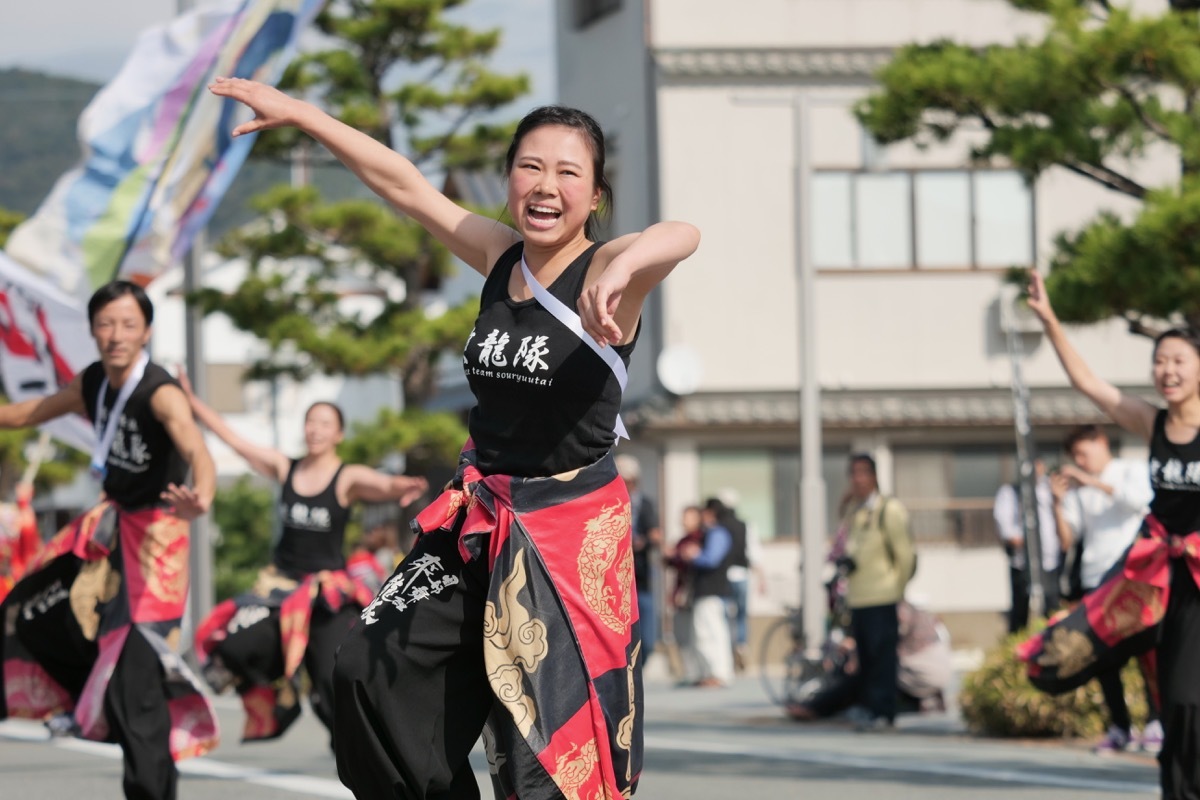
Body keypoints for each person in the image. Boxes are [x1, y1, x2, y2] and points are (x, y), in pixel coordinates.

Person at [207, 77, 699, 800]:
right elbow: (403, 186)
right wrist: (307, 116)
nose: (545, 186)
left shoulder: (606, 272)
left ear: (595, 196)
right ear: (508, 179)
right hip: (476, 520)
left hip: (562, 538)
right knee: (363, 671)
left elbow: (681, 235)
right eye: (530, 166)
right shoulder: (500, 258)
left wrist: (627, 263)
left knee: (544, 757)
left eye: (569, 173)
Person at [0, 280, 217, 800]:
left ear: (145, 332)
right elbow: (26, 414)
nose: (115, 335)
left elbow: (197, 451)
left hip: (156, 545)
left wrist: (201, 498)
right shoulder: (94, 381)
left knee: (135, 682)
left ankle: (127, 741)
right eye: (105, 324)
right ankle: (89, 701)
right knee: (25, 611)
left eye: (127, 324)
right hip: (107, 536)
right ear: (93, 330)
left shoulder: (160, 391)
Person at [1017, 270, 1200, 799]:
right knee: (1083, 653)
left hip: (1196, 586)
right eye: (1159, 361)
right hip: (1150, 576)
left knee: (1187, 699)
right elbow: (1089, 385)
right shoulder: (1153, 422)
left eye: (1178, 361)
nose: (1166, 371)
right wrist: (1050, 320)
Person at [185, 385, 427, 746]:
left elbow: (382, 483)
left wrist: (404, 485)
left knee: (333, 680)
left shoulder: (346, 477)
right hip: (279, 590)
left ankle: (350, 745)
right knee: (234, 646)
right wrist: (191, 401)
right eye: (311, 422)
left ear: (338, 434)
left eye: (325, 424)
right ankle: (281, 698)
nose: (315, 429)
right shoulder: (286, 467)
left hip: (324, 595)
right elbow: (234, 440)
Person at [1049, 424, 1160, 755]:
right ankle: (1119, 726)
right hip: (1095, 579)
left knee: (1147, 650)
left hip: (1132, 576)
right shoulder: (1079, 489)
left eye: (1084, 452)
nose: (1081, 461)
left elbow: (1141, 503)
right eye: (1076, 457)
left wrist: (1094, 483)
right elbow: (1068, 539)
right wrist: (1057, 503)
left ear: (1100, 442)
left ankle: (1157, 722)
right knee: (1103, 658)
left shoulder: (1131, 470)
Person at [838, 453, 916, 731]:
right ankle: (869, 707)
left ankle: (884, 710)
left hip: (883, 595)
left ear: (874, 476)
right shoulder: (856, 511)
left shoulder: (889, 509)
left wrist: (897, 588)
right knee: (865, 656)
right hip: (858, 596)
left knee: (883, 656)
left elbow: (905, 554)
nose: (857, 479)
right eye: (853, 473)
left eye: (863, 473)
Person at [786, 600, 952, 722]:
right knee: (869, 667)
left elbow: (883, 647)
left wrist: (855, 651)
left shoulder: (897, 611)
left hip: (919, 671)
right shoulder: (913, 610)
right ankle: (820, 707)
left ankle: (818, 708)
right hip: (937, 672)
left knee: (864, 672)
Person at [993, 458, 1065, 633]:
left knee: (1052, 609)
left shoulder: (1050, 491)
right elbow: (1007, 531)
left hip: (1052, 562)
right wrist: (1031, 542)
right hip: (1022, 563)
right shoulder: (1010, 492)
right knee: (1020, 611)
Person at [669, 503, 734, 688]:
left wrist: (695, 555)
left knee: (711, 633)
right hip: (703, 591)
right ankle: (709, 673)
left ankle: (718, 673)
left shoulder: (717, 533)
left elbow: (711, 559)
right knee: (703, 634)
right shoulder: (707, 534)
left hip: (712, 590)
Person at [617, 454, 663, 662]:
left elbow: (656, 534)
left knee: (645, 621)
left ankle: (643, 659)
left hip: (640, 571)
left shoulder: (644, 503)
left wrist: (644, 541)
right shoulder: (610, 502)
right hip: (615, 573)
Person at [704, 493, 756, 672]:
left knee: (725, 618)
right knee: (741, 615)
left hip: (725, 576)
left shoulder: (718, 528)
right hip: (742, 574)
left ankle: (728, 649)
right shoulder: (744, 525)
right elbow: (753, 551)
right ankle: (741, 644)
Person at [0, 482, 39, 603]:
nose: (17, 490)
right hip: (14, 567)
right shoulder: (19, 511)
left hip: (19, 568)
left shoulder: (26, 513)